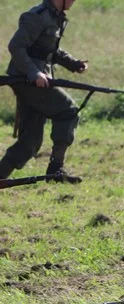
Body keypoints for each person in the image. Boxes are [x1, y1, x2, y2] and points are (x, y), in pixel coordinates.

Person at [0, 0, 88, 183]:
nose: (74, 1)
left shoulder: (53, 17)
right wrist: (34, 73)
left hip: (37, 82)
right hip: (29, 81)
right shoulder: (37, 16)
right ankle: (56, 170)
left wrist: (73, 63)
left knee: (30, 142)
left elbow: (47, 51)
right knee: (68, 111)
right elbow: (16, 46)